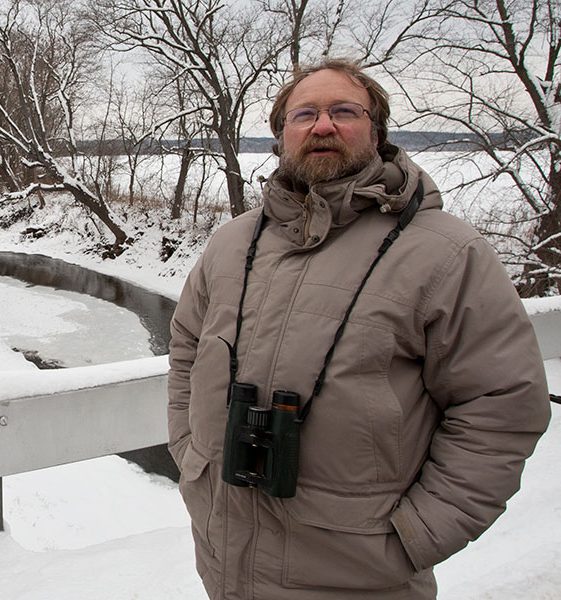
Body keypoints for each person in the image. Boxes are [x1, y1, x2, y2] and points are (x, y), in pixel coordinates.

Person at [167, 58, 552, 600]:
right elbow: (186, 349)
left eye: (343, 111)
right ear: (282, 135)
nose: (322, 125)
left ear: (377, 130)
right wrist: (192, 455)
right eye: (305, 114)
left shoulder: (444, 252)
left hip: (362, 576)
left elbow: (501, 404)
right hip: (226, 561)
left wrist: (414, 535)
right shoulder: (232, 243)